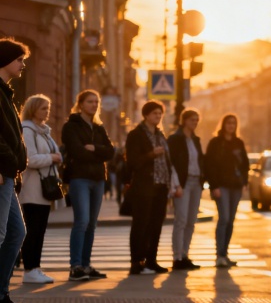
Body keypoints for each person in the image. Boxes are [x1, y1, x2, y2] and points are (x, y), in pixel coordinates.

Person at [62, 89, 115, 282]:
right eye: (90, 102)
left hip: (98, 179)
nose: (94, 105)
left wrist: (95, 148)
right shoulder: (71, 126)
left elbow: (110, 152)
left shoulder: (98, 127)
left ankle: (86, 264)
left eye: (96, 102)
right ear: (81, 104)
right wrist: (98, 153)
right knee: (82, 221)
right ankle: (75, 266)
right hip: (79, 178)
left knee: (92, 224)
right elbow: (77, 152)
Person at [125, 101, 181, 274]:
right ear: (146, 115)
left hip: (161, 185)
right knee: (141, 223)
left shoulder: (160, 135)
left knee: (156, 224)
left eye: (160, 114)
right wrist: (151, 154)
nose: (158, 116)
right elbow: (133, 161)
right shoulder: (136, 135)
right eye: (155, 113)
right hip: (144, 185)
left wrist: (172, 182)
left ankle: (151, 260)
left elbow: (168, 161)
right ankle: (136, 262)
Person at [0, 38, 31, 303]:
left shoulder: (6, 93)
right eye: (20, 59)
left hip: (9, 173)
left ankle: (1, 294)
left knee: (16, 233)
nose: (23, 64)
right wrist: (11, 159)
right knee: (0, 236)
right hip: (1, 172)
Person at [20, 94, 63, 284]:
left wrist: (56, 157)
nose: (47, 111)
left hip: (45, 188)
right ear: (33, 108)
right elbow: (30, 159)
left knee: (40, 230)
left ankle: (36, 268)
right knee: (33, 230)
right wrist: (52, 158)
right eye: (43, 108)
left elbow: (54, 152)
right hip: (32, 189)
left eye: (48, 108)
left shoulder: (44, 131)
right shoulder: (27, 130)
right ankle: (29, 269)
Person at [204, 113, 249, 268]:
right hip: (221, 186)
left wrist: (244, 181)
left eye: (233, 123)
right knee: (223, 218)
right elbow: (209, 165)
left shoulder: (238, 143)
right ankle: (219, 255)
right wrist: (213, 185)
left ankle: (225, 254)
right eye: (228, 123)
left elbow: (245, 164)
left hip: (235, 186)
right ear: (223, 125)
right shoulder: (216, 143)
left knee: (230, 220)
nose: (231, 126)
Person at [167, 108, 204, 270]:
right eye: (191, 120)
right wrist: (176, 184)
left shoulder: (196, 139)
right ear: (184, 121)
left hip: (196, 183)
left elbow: (200, 160)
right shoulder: (175, 139)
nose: (194, 123)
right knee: (181, 220)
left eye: (196, 120)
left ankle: (185, 255)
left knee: (191, 221)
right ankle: (177, 257)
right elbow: (171, 162)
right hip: (183, 183)